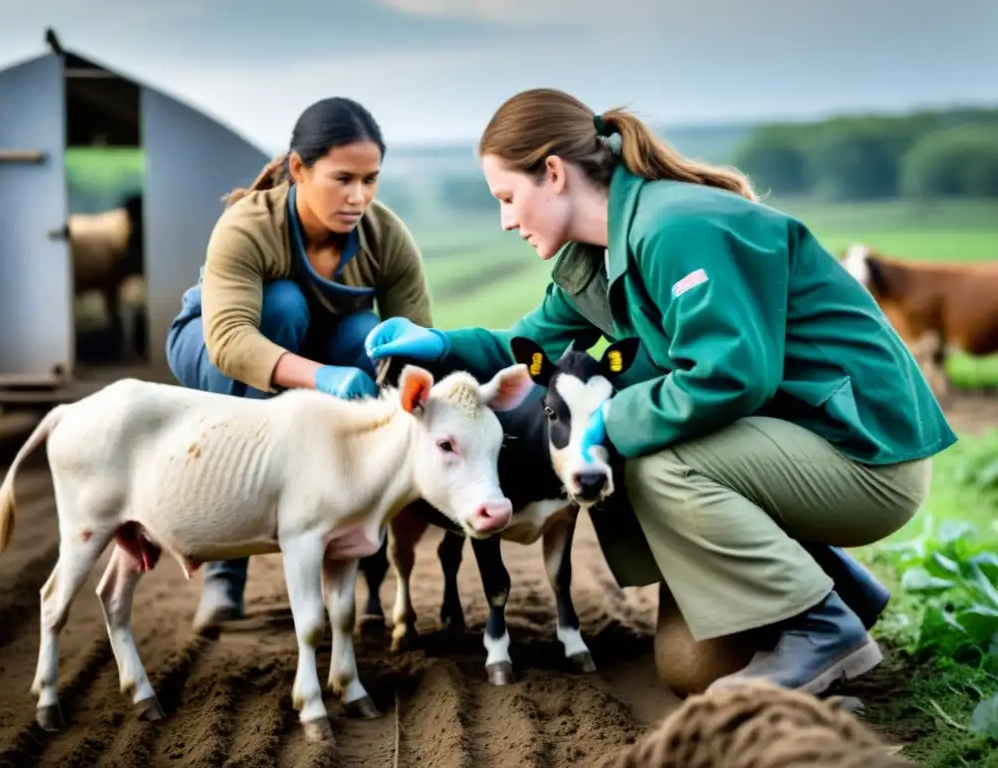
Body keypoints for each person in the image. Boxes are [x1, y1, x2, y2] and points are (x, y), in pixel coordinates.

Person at [362, 87, 957, 695]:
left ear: (553, 173)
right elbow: (524, 342)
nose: (507, 220)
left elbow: (728, 376)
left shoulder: (675, 229)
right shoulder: (592, 260)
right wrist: (437, 347)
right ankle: (840, 589)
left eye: (508, 198)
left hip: (862, 450)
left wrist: (606, 420)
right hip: (785, 445)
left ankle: (822, 626)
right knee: (691, 669)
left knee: (640, 456)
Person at [165, 96, 433, 631]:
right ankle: (225, 570)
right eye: (342, 179)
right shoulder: (249, 226)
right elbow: (231, 341)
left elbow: (415, 341)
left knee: (369, 333)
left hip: (318, 346)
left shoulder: (386, 237)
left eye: (371, 180)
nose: (359, 196)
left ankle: (354, 551)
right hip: (215, 348)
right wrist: (322, 378)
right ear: (298, 169)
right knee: (282, 304)